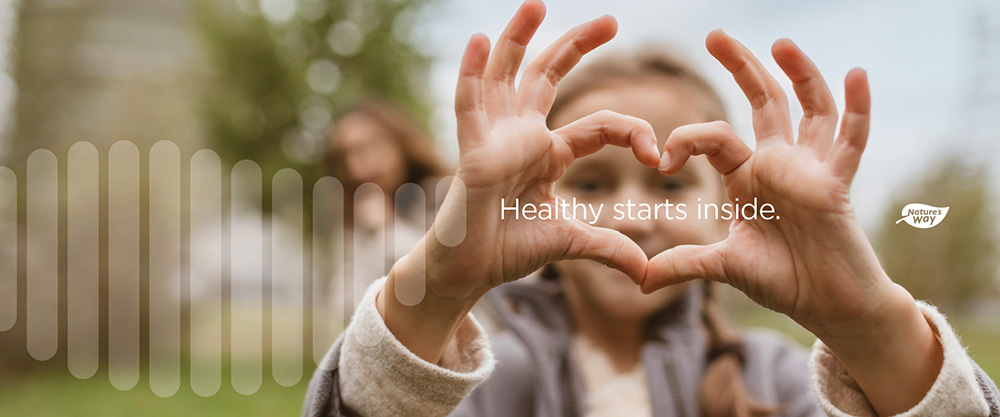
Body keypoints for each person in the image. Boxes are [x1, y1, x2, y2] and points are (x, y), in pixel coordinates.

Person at [304, 2, 1000, 416]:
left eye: (670, 186)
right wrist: (437, 294)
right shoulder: (480, 382)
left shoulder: (776, 380)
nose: (633, 215)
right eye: (591, 184)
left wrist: (872, 327)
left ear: (732, 208)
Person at [323, 97, 450, 308]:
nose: (357, 168)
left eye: (367, 148)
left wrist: (387, 230)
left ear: (399, 142)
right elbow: (346, 304)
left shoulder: (444, 196)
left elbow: (446, 275)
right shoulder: (358, 215)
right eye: (345, 156)